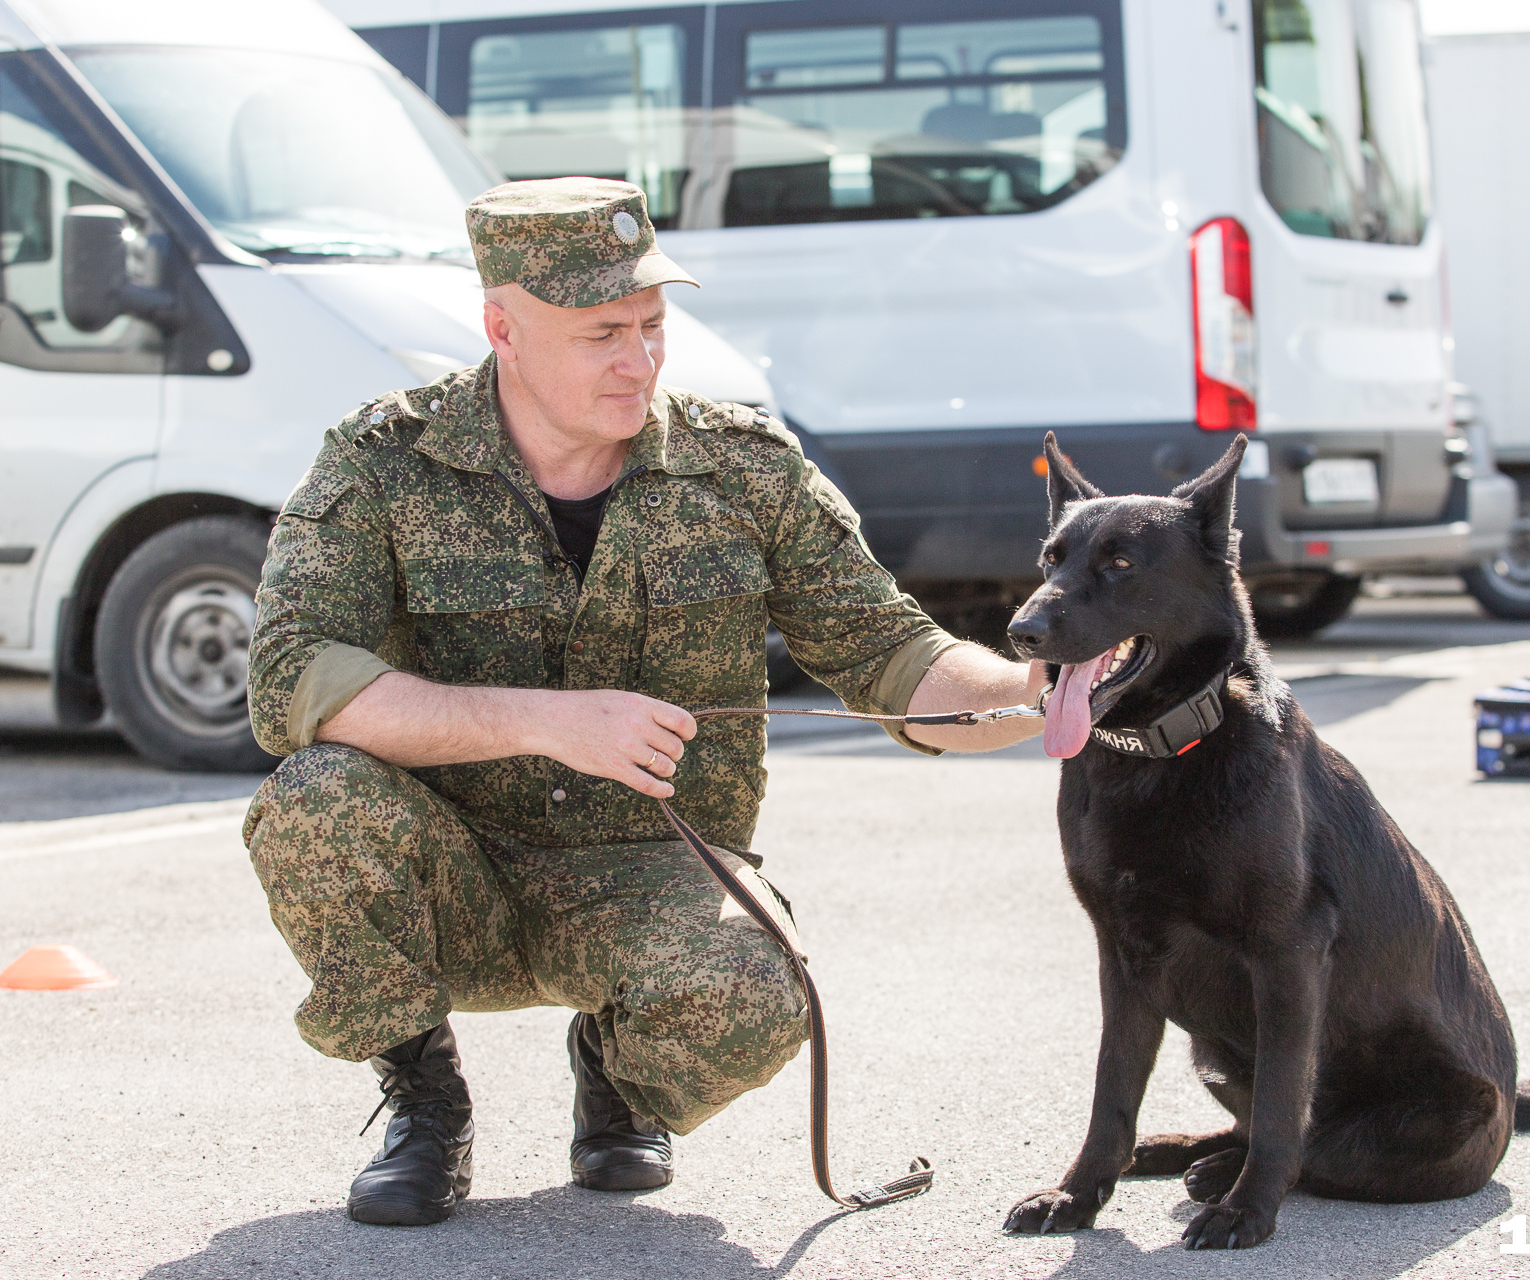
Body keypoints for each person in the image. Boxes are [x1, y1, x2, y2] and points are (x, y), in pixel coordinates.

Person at [243, 177, 1046, 1226]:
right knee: (315, 799)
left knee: (762, 987)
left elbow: (896, 655)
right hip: (456, 866)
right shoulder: (385, 462)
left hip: (647, 875)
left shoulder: (742, 468)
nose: (639, 359)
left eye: (653, 324)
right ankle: (425, 1097)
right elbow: (290, 673)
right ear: (504, 326)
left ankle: (619, 1070)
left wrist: (1044, 689)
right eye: (600, 333)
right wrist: (545, 719)